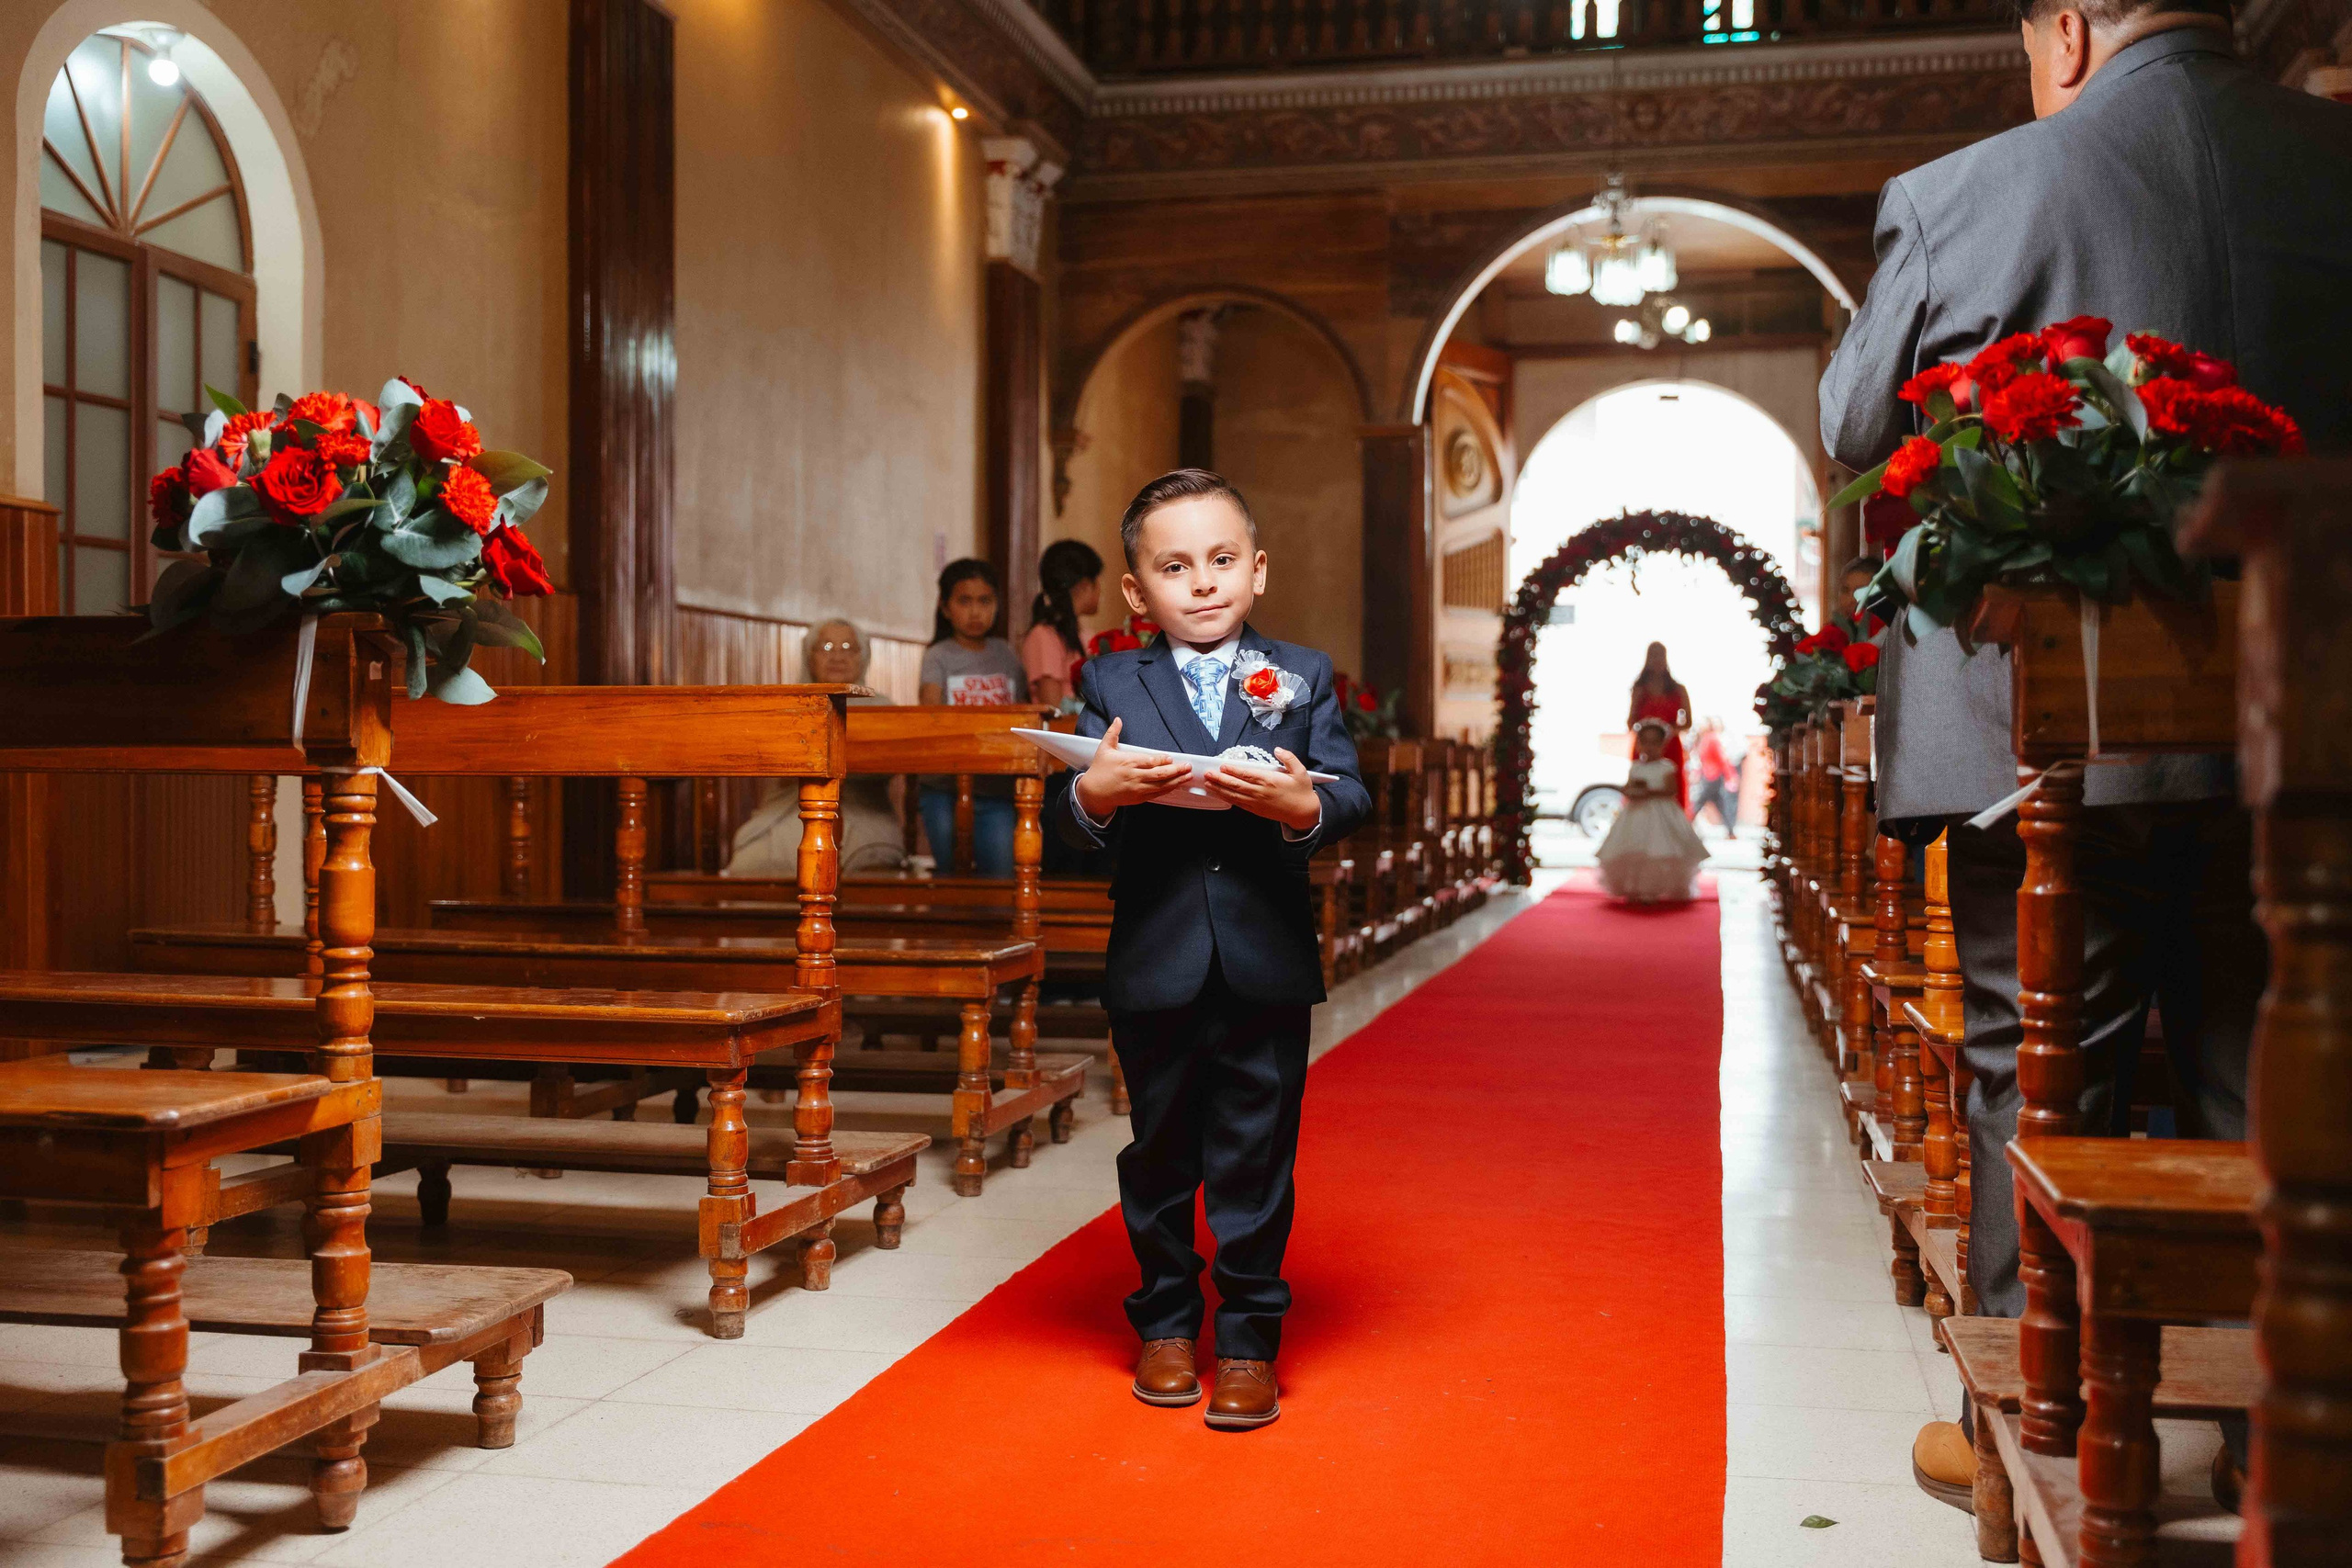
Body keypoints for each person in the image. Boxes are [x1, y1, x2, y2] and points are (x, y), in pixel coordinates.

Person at [1818, 0, 2351, 1511]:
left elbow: (1857, 419)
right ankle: (2281, 1445)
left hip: (2039, 725)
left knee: (2033, 1076)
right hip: (2303, 722)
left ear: (2064, 29)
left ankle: (2030, 1442)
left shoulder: (1965, 193)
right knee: (2281, 1083)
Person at [1047, 468, 1369, 1432]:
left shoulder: (1301, 674)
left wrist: (1303, 804)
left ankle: (1248, 1341)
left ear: (1257, 569)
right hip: (1154, 957)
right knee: (1159, 1151)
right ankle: (1165, 1324)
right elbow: (1069, 819)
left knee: (1254, 1157)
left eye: (1222, 560)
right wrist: (1095, 792)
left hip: (1264, 958)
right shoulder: (1107, 679)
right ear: (1139, 593)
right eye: (1175, 567)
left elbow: (1348, 792)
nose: (1203, 582)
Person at [724, 617, 904, 878]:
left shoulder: (883, 709)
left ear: (863, 658)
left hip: (863, 813)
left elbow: (893, 763)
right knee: (752, 861)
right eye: (827, 647)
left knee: (860, 858)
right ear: (810, 656)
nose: (838, 657)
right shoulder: (785, 703)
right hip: (789, 810)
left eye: (848, 648)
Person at [918, 558, 1028, 876]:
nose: (975, 612)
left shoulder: (1005, 653)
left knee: (1001, 878)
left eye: (985, 601)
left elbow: (1020, 710)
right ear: (945, 607)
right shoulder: (938, 656)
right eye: (964, 601)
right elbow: (931, 713)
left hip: (997, 788)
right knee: (952, 876)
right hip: (945, 788)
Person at [1597, 720, 1709, 903]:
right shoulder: (1636, 767)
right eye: (1645, 742)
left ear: (1662, 745)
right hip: (1636, 813)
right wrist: (1631, 792)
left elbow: (1671, 790)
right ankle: (1634, 887)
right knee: (1633, 849)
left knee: (1660, 848)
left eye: (1654, 742)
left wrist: (1649, 792)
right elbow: (1628, 787)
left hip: (1661, 813)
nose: (1649, 747)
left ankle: (1656, 888)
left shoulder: (1666, 767)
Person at [1023, 538, 1103, 712]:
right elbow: (1053, 709)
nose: (1100, 590)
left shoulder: (1087, 635)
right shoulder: (1043, 636)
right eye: (1097, 582)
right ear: (1084, 586)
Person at [1626, 642, 1691, 812]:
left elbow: (1688, 722)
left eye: (1660, 655)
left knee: (1670, 787)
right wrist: (1647, 733)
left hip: (1670, 747)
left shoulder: (1678, 689)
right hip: (1644, 746)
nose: (1657, 660)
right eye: (1653, 655)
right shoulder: (1640, 689)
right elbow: (1630, 721)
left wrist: (1668, 732)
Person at [1689, 717, 1738, 839]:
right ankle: (1730, 831)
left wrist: (1730, 775)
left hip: (1713, 776)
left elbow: (1722, 759)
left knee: (1699, 802)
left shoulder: (1712, 739)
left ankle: (1686, 825)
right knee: (1719, 803)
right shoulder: (1705, 739)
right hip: (1708, 775)